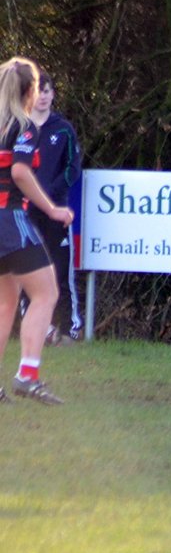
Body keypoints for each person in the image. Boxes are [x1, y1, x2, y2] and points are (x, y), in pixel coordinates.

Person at [1, 56, 75, 404]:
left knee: (6, 302)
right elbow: (19, 172)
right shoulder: (24, 126)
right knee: (46, 294)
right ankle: (27, 376)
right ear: (29, 90)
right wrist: (52, 208)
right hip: (9, 219)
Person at [24, 70, 82, 343]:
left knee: (59, 270)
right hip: (25, 212)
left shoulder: (63, 129)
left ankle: (69, 328)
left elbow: (73, 168)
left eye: (47, 91)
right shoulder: (20, 128)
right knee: (28, 270)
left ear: (53, 94)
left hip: (56, 211)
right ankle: (36, 328)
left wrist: (49, 194)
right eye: (39, 91)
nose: (43, 96)